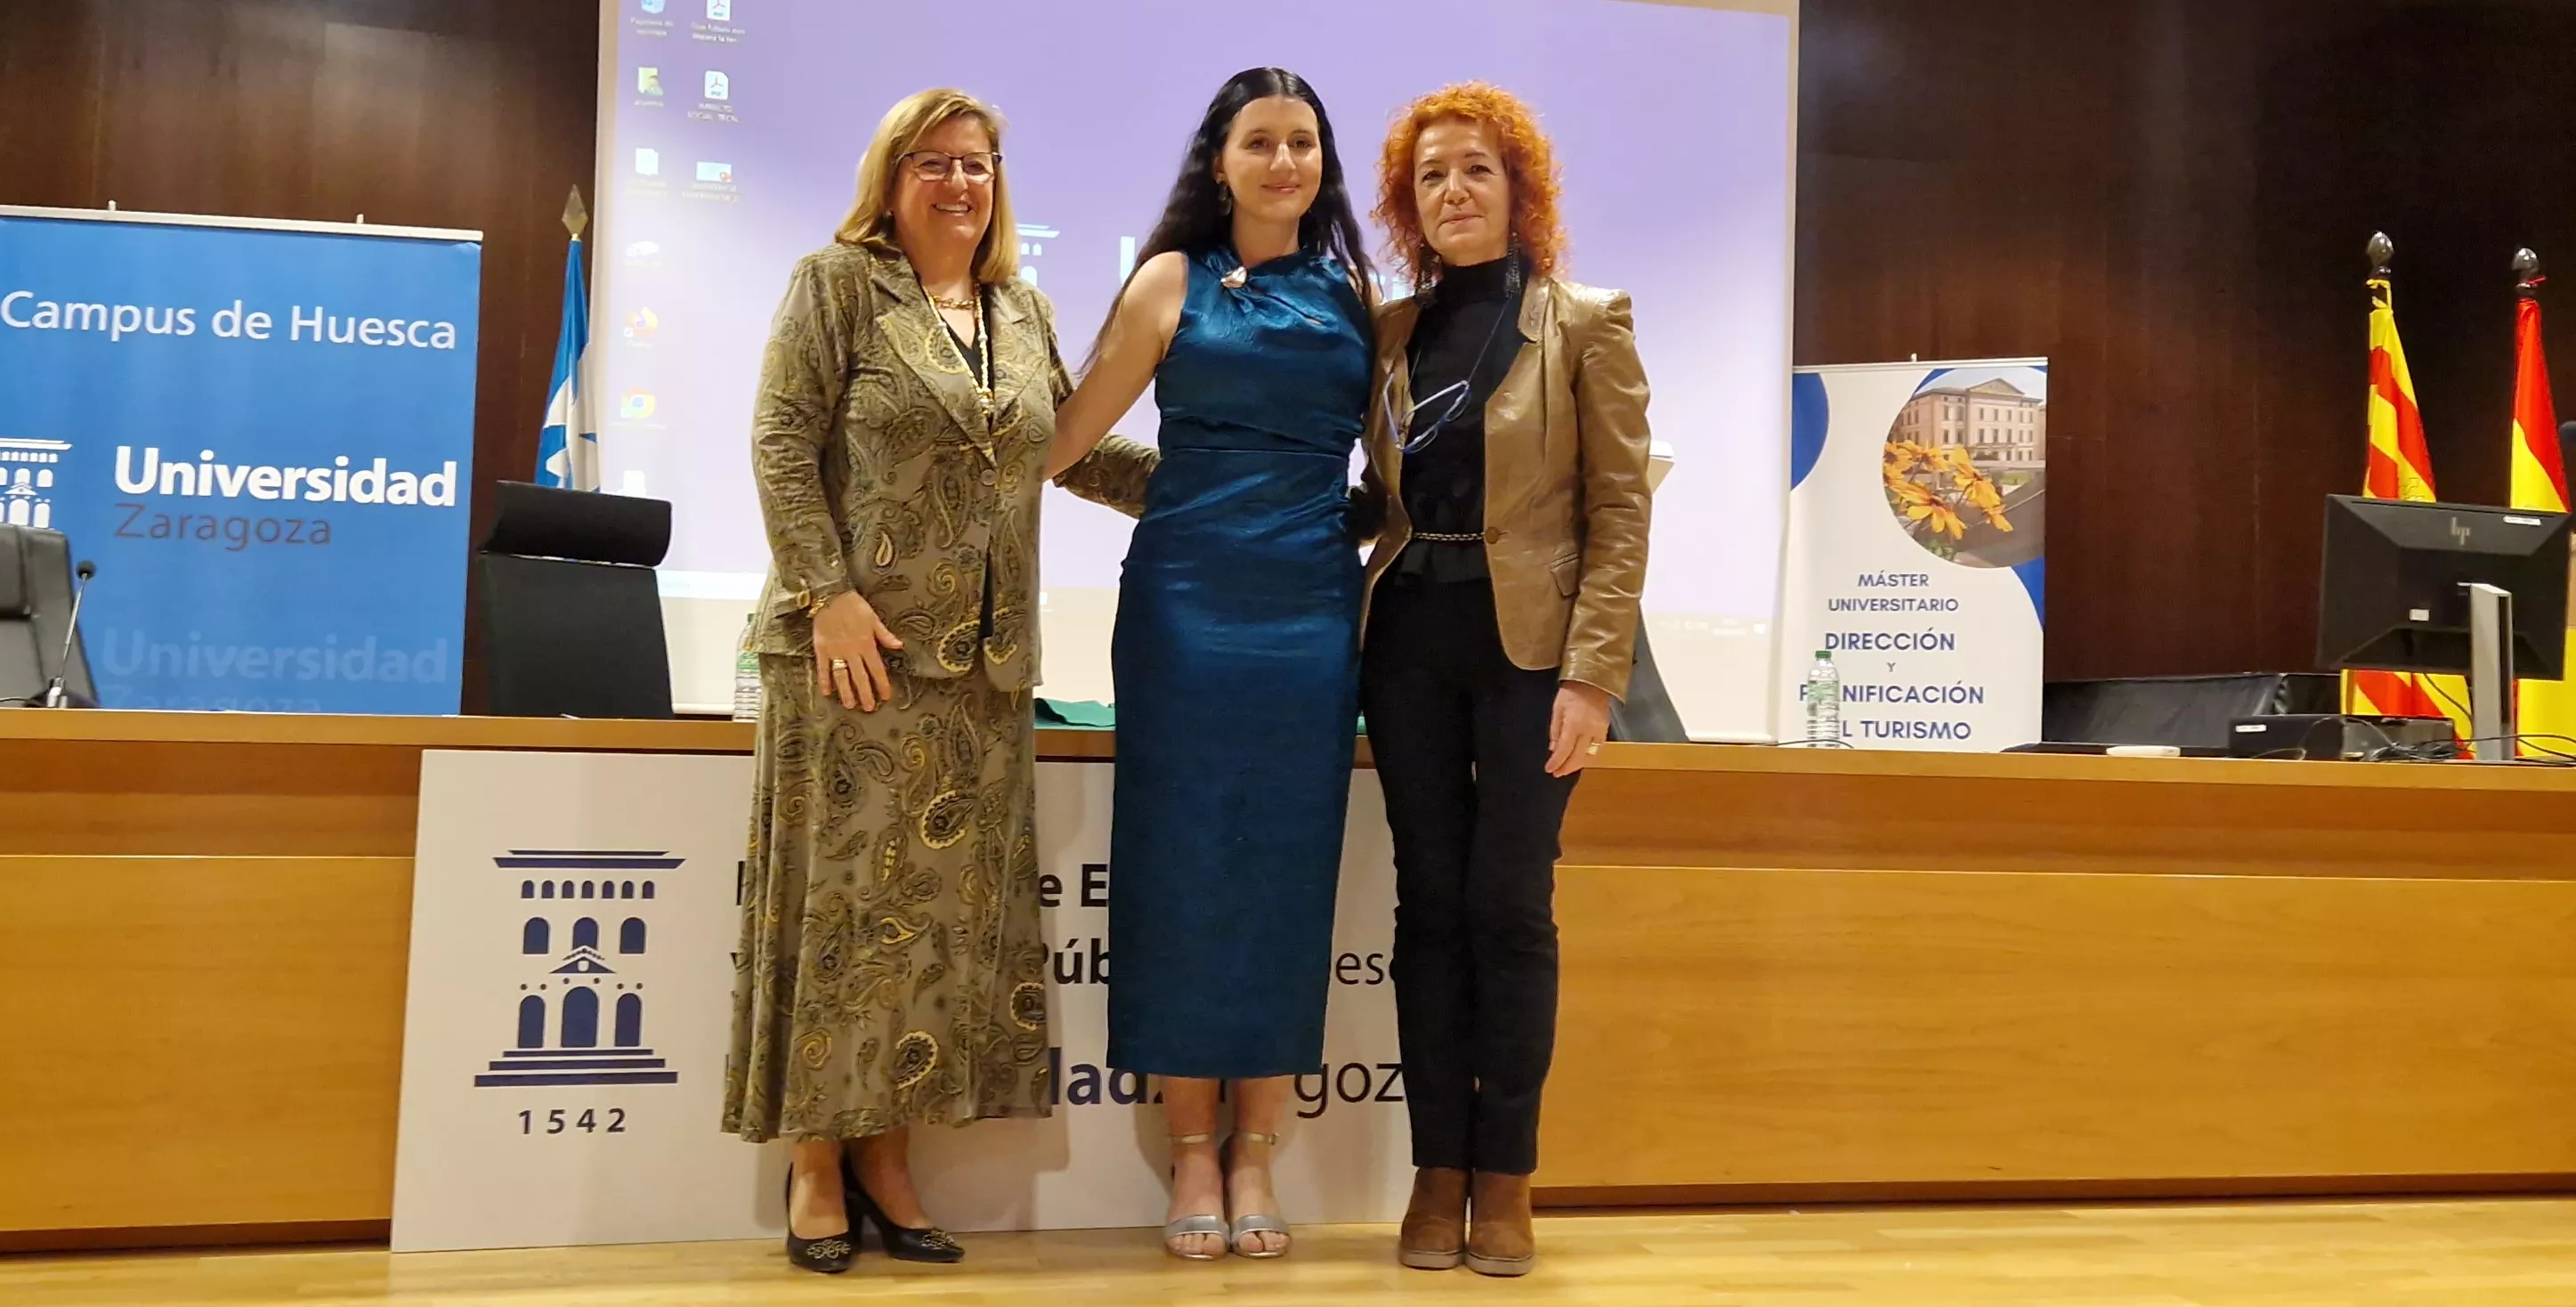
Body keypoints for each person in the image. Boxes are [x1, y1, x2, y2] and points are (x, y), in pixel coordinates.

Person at [724, 87, 1071, 1276]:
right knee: (844, 924)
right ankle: (816, 1161)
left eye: (975, 164)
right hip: (856, 658)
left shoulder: (1022, 310)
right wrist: (827, 592)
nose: (958, 184)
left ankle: (888, 1158)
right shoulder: (837, 283)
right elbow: (779, 436)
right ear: (891, 176)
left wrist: (1241, 493)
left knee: (930, 938)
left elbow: (1071, 445)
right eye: (932, 163)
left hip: (979, 682)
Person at [1047, 67, 1376, 1262]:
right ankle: (1191, 1149)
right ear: (1219, 161)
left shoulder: (1357, 296)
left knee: (1288, 875)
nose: (1283, 161)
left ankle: (1256, 1153)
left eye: (1301, 143)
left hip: (1307, 611)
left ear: (1320, 166)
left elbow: (1390, 475)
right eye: (1260, 142)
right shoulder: (1166, 281)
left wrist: (1326, 537)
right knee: (1181, 863)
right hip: (1186, 600)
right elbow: (1065, 439)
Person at [1354, 83, 1653, 1278]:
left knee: (1507, 911)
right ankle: (1436, 1174)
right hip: (1408, 641)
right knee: (1426, 911)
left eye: (1475, 169)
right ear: (1406, 203)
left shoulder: (1585, 321)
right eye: (1431, 176)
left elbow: (1618, 510)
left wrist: (1593, 675)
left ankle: (1507, 1177)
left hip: (1534, 656)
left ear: (1517, 189)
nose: (1454, 192)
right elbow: (1375, 498)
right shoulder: (1387, 331)